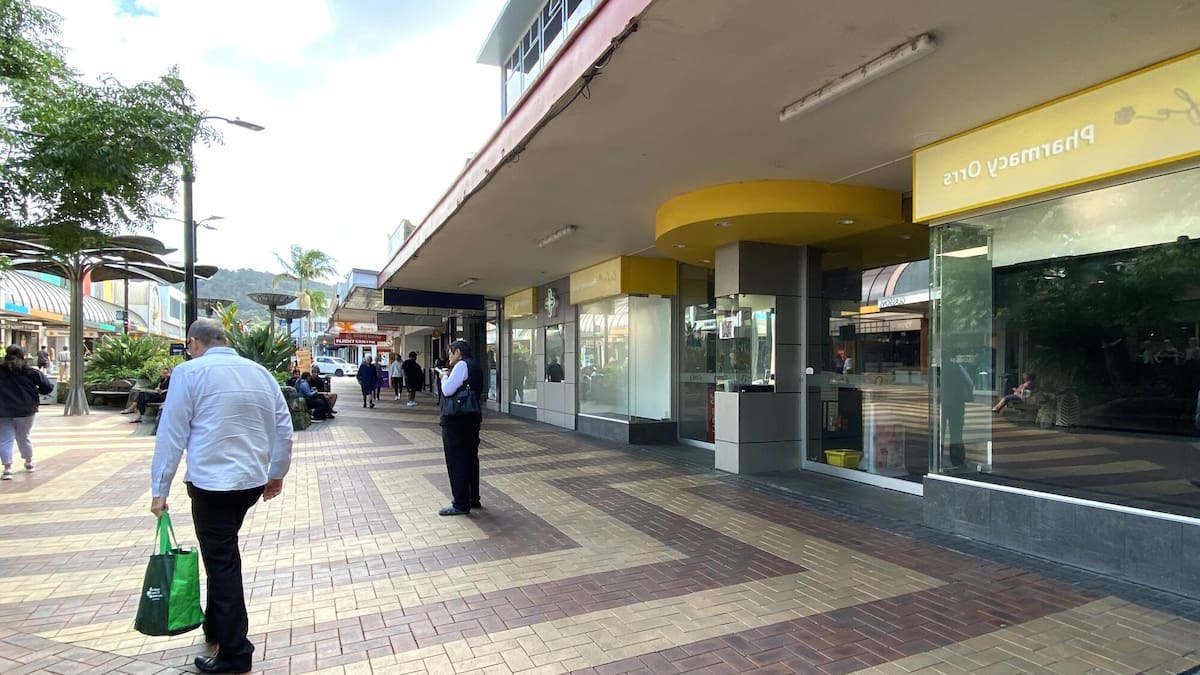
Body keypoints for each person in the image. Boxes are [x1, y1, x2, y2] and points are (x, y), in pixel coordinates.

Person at [149, 319, 292, 675]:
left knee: (222, 560)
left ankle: (235, 652)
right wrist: (276, 474)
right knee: (223, 553)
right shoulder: (259, 372)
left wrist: (159, 490)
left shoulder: (189, 372)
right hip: (249, 483)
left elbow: (172, 433)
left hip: (212, 484)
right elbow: (284, 429)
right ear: (225, 340)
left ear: (194, 342)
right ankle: (215, 626)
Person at [437, 339, 484, 516]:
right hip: (472, 418)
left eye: (451, 352)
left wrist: (443, 377)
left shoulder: (462, 365)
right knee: (470, 458)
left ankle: (460, 503)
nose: (449, 356)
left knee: (456, 460)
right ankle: (473, 498)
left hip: (456, 420)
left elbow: (448, 390)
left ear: (459, 352)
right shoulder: (475, 365)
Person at [0, 346, 54, 479]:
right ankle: (29, 462)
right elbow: (47, 387)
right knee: (24, 436)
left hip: (3, 410)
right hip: (26, 409)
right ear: (23, 355)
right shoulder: (30, 372)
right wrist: (36, 391)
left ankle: (7, 469)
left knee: (5, 439)